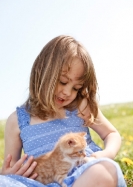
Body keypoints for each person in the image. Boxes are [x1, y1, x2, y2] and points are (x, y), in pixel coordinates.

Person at [0, 35, 126, 187]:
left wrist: (105, 154)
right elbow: (11, 165)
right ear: (42, 73)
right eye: (63, 82)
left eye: (76, 88)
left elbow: (111, 134)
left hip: (81, 176)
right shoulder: (17, 120)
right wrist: (7, 174)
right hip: (39, 183)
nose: (68, 92)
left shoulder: (80, 106)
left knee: (104, 170)